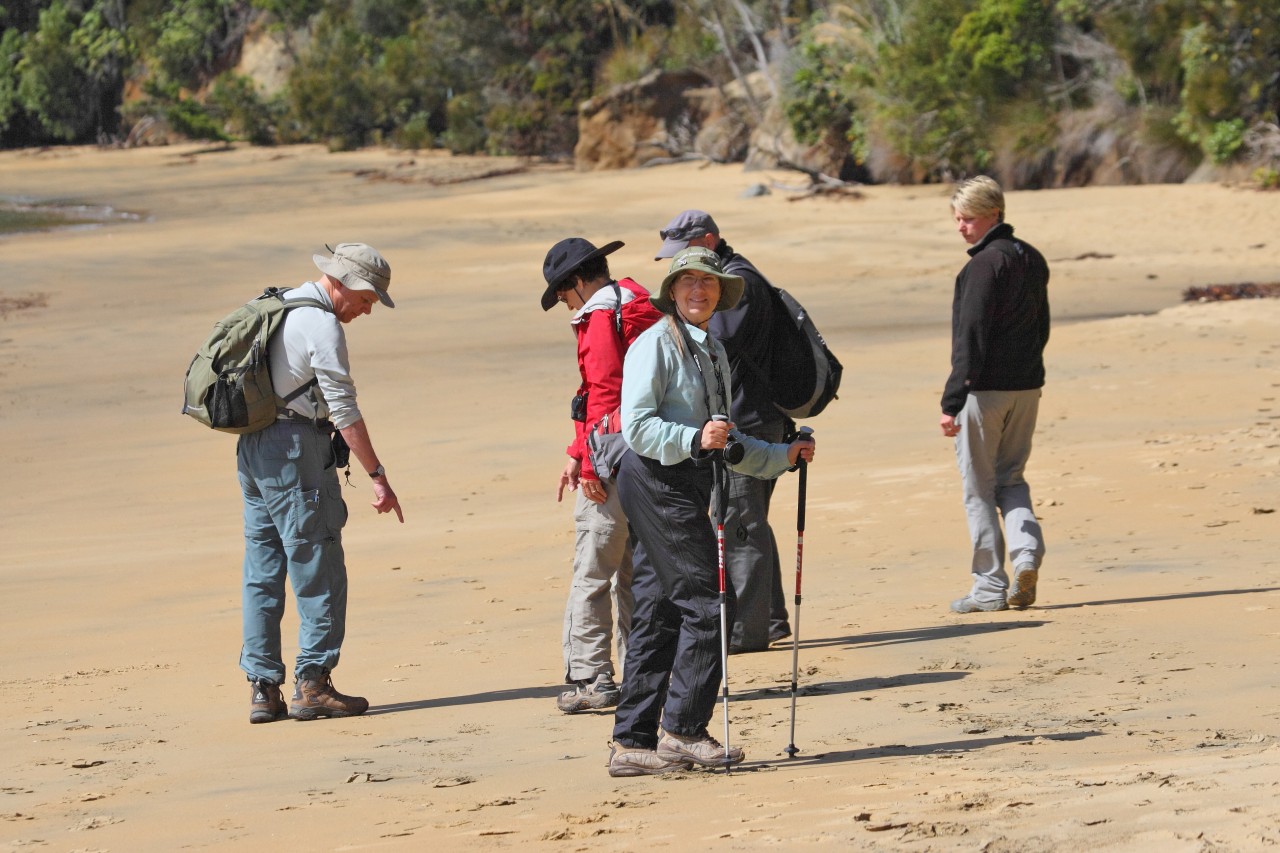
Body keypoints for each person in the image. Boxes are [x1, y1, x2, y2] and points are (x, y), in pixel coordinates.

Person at [607, 246, 816, 776]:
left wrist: (783, 457)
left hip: (685, 480)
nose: (699, 291)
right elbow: (638, 429)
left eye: (709, 284)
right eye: (688, 283)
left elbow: (729, 439)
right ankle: (681, 731)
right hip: (655, 480)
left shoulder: (713, 350)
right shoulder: (654, 345)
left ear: (720, 293)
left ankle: (632, 743)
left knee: (659, 609)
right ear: (673, 292)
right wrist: (695, 437)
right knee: (710, 603)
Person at [239, 242, 404, 724]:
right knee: (318, 564)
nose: (366, 310)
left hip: (253, 450)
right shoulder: (322, 323)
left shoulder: (278, 305)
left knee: (262, 569)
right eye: (368, 299)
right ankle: (313, 684)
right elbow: (345, 409)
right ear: (346, 284)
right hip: (297, 452)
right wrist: (378, 475)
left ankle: (263, 689)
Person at [654, 210, 792, 653]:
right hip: (740, 421)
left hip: (747, 421)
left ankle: (747, 634)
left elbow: (718, 344)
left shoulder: (737, 283)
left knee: (739, 524)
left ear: (710, 240)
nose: (695, 285)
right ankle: (768, 620)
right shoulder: (731, 275)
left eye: (691, 256)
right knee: (744, 521)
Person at [539, 237, 662, 713]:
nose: (564, 304)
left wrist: (589, 464)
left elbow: (603, 393)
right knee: (635, 572)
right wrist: (576, 450)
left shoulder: (599, 316)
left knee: (592, 571)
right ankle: (640, 672)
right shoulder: (639, 302)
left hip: (612, 462)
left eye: (563, 294)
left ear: (576, 281)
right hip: (652, 459)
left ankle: (592, 677)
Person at [939, 176, 1050, 613]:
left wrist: (951, 402)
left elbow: (971, 340)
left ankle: (988, 587)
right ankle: (1026, 555)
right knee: (1012, 478)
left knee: (979, 488)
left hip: (985, 392)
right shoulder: (1032, 258)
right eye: (958, 219)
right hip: (1027, 387)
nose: (961, 227)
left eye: (967, 219)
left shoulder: (983, 266)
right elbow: (1042, 328)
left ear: (994, 215)